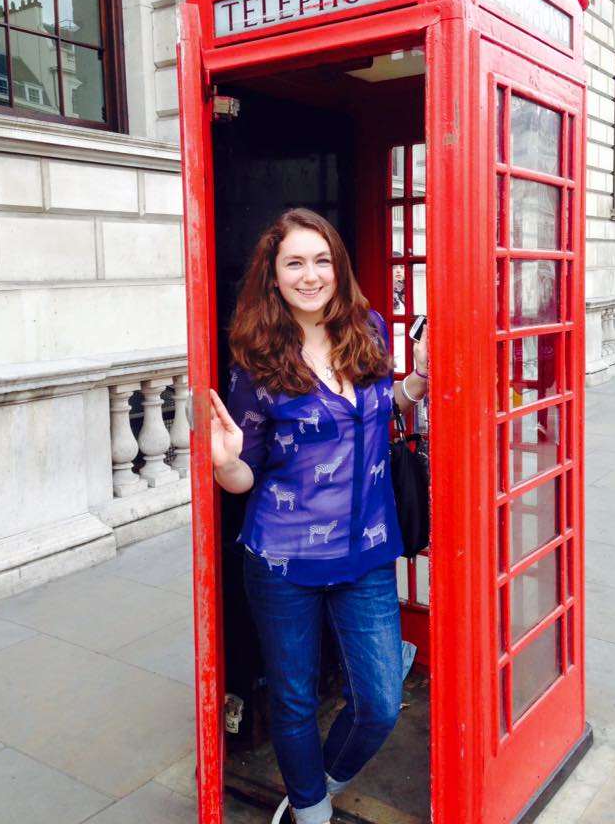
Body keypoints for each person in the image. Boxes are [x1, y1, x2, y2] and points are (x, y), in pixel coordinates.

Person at [209, 208, 428, 824]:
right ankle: (308, 811)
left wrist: (418, 382)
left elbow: (383, 410)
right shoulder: (256, 361)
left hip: (367, 550)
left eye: (321, 260)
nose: (310, 275)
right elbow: (244, 473)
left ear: (339, 267)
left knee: (381, 701)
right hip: (283, 558)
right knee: (295, 698)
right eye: (294, 263)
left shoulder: (370, 328)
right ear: (273, 277)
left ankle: (319, 782)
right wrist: (226, 465)